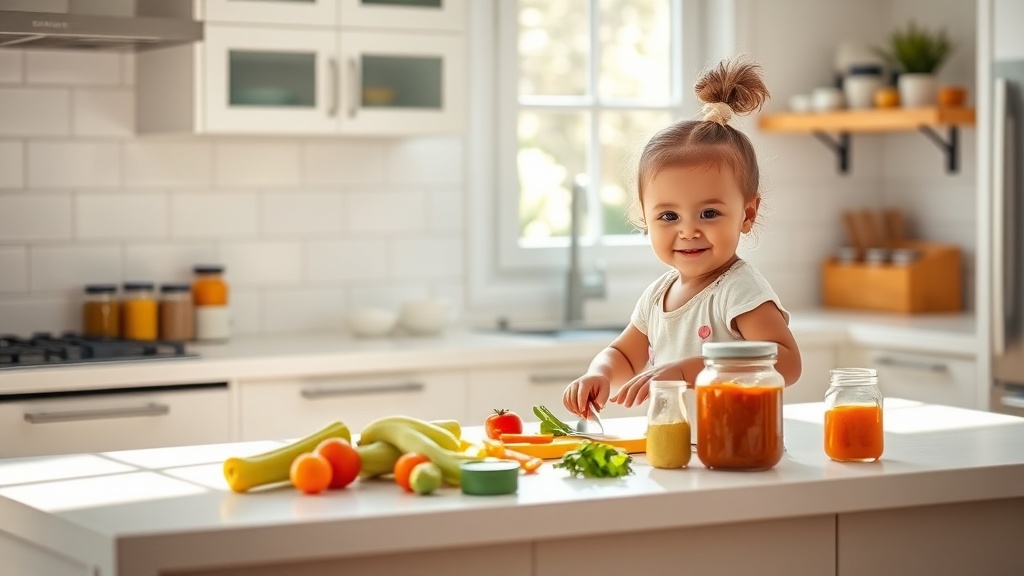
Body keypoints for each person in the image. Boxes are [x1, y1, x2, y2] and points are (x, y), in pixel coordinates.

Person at [563, 56, 802, 419]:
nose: (688, 230)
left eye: (709, 213)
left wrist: (692, 371)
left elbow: (786, 363)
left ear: (747, 214)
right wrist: (600, 374)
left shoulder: (739, 291)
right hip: (672, 449)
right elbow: (625, 354)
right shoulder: (658, 295)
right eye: (669, 216)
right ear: (644, 218)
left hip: (737, 451)